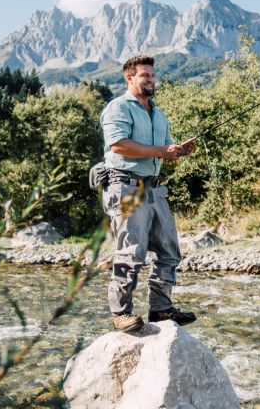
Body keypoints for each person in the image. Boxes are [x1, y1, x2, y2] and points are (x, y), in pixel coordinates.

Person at [99, 54, 197, 333]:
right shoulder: (118, 108)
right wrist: (160, 151)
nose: (151, 80)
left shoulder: (159, 114)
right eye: (145, 75)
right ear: (129, 78)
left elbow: (166, 152)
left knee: (169, 251)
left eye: (153, 75)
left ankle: (161, 310)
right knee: (131, 253)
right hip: (126, 187)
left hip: (153, 188)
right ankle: (121, 313)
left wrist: (178, 151)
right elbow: (118, 145)